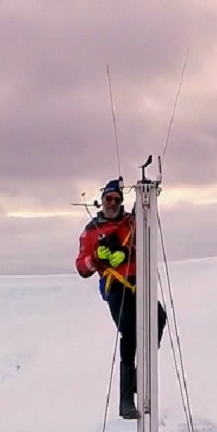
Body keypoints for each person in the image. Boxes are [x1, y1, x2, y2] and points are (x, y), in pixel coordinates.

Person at [75, 177, 167, 419]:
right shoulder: (90, 231)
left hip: (139, 282)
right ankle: (126, 397)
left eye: (117, 199)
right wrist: (97, 258)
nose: (113, 203)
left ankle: (143, 373)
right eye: (109, 199)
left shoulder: (132, 223)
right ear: (102, 200)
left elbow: (144, 240)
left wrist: (125, 252)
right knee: (128, 329)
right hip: (116, 286)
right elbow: (81, 267)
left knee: (158, 316)